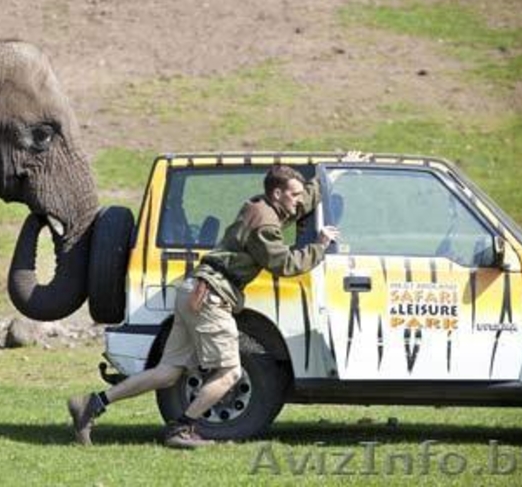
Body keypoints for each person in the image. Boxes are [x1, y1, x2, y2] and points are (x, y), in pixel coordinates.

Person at [67, 164, 340, 448]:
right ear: (278, 193)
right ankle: (181, 429)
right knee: (230, 373)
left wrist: (324, 180)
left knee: (168, 372)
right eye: (293, 195)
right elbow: (284, 264)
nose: (298, 201)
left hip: (194, 291)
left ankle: (92, 403)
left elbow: (295, 208)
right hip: (211, 298)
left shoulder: (259, 206)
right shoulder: (266, 224)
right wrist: (319, 246)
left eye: (299, 195)